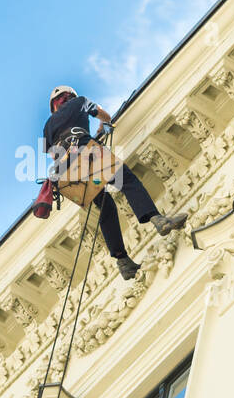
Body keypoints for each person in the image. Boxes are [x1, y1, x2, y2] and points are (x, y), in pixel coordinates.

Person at [43, 86, 187, 279]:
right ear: (70, 97)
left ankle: (123, 261)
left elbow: (53, 154)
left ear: (54, 106)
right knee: (126, 180)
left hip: (66, 171)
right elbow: (102, 114)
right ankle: (157, 219)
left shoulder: (47, 126)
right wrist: (104, 125)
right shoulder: (80, 102)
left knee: (105, 206)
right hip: (86, 151)